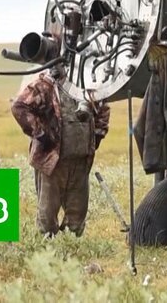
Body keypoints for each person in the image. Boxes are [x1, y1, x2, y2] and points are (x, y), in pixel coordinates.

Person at [11, 66, 110, 236]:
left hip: (80, 162)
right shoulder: (46, 85)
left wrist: (97, 136)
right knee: (47, 216)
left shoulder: (89, 86)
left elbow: (103, 109)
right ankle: (48, 254)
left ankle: (73, 253)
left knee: (77, 216)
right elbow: (19, 107)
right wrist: (40, 133)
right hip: (52, 162)